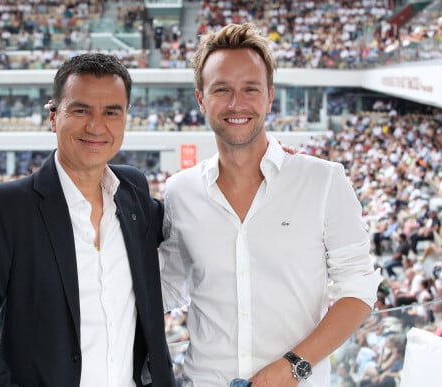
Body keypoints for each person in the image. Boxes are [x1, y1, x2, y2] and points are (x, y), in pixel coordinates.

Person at [159, 23, 381, 386]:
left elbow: (358, 290)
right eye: (222, 90)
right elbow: (167, 286)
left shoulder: (324, 181)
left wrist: (293, 366)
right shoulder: (179, 192)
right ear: (201, 99)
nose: (236, 104)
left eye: (250, 89)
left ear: (269, 96)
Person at [0, 53, 175, 387]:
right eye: (80, 110)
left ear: (125, 119)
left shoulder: (134, 191)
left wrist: (270, 160)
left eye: (111, 112)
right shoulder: (8, 207)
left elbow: (193, 221)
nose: (96, 126)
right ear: (54, 116)